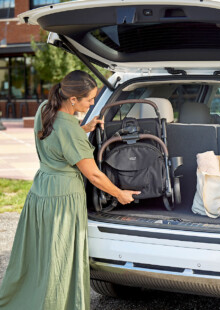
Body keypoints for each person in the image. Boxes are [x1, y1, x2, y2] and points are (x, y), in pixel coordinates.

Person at [0, 70, 140, 310]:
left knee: (40, 255)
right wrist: (119, 193)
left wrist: (83, 129)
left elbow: (58, 136)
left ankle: (26, 299)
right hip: (63, 198)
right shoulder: (70, 130)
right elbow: (94, 174)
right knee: (60, 258)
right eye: (89, 99)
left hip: (41, 190)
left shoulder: (44, 108)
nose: (93, 103)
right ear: (73, 100)